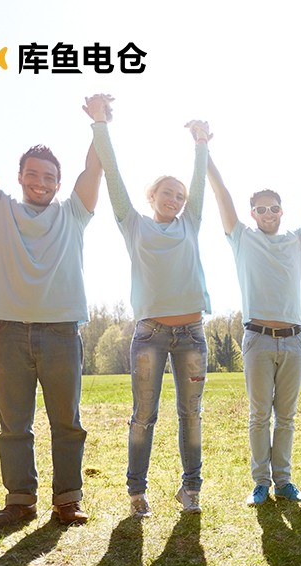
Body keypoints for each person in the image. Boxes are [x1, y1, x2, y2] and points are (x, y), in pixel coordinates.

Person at [0, 65, 103, 529]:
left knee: (67, 423)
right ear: (19, 176)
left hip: (61, 332)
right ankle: (20, 500)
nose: (41, 181)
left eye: (49, 176)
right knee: (14, 425)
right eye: (32, 174)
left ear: (59, 182)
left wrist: (98, 122)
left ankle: (67, 500)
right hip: (7, 332)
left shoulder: (74, 213)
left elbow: (95, 167)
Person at [208, 148, 301, 506]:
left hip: (294, 340)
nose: (268, 213)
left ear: (281, 211)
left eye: (274, 208)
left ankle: (284, 482)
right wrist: (206, 154)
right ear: (252, 213)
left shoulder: (295, 240)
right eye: (261, 208)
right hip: (257, 339)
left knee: (285, 416)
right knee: (260, 415)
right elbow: (222, 194)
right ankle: (260, 483)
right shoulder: (242, 237)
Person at [89, 98, 212, 518]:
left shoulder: (190, 222)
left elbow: (198, 184)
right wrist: (101, 126)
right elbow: (114, 179)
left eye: (179, 195)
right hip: (150, 335)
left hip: (192, 334)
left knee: (190, 415)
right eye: (167, 193)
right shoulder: (133, 223)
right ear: (152, 195)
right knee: (144, 415)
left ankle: (190, 489)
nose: (175, 199)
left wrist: (200, 145)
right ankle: (136, 492)